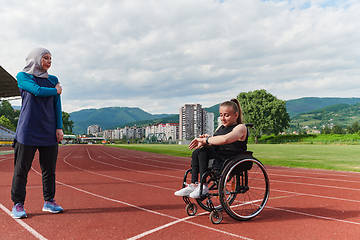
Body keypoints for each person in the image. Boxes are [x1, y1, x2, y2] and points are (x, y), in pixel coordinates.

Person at [11, 47, 64, 219]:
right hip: (27, 131)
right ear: (35, 59)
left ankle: (49, 201)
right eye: (46, 58)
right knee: (21, 169)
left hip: (48, 130)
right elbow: (37, 91)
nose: (49, 61)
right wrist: (55, 90)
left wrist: (59, 127)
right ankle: (18, 204)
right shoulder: (23, 77)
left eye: (50, 58)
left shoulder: (53, 79)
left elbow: (57, 105)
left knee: (49, 169)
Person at [174, 98, 248, 198]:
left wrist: (207, 140)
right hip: (218, 156)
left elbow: (225, 139)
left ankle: (203, 186)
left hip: (229, 159)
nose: (223, 118)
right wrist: (205, 141)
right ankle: (194, 184)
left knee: (204, 151)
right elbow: (214, 142)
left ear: (236, 115)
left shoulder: (241, 127)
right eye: (221, 115)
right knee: (197, 152)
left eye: (227, 115)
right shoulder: (220, 127)